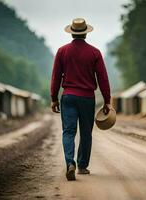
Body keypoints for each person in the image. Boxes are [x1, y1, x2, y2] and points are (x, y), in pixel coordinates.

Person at [50, 18, 111, 181]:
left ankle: (70, 163)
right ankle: (82, 166)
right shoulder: (95, 52)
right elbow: (103, 79)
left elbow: (56, 77)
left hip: (68, 97)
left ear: (72, 33)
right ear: (85, 33)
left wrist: (54, 98)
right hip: (87, 98)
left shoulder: (62, 51)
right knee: (86, 132)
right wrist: (107, 101)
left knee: (68, 132)